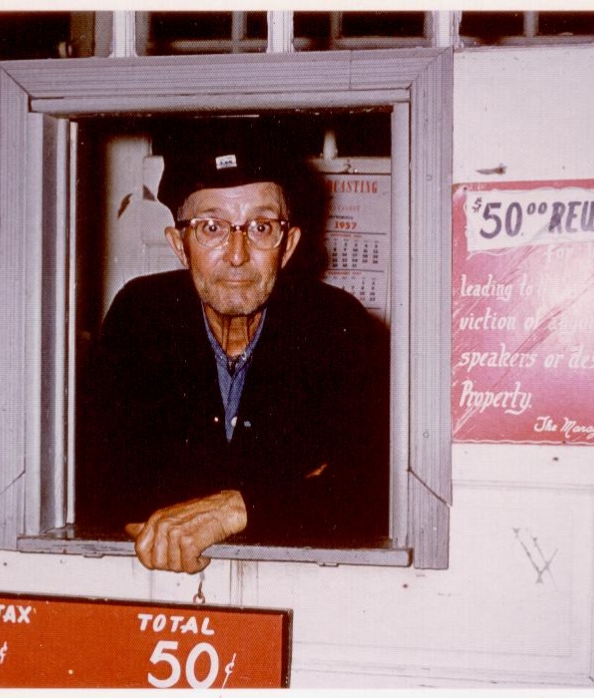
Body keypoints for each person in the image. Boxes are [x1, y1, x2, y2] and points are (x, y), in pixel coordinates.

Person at [77, 121, 389, 574]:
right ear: (180, 246)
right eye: (211, 227)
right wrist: (296, 493)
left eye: (261, 226)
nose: (238, 254)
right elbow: (101, 486)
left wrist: (232, 509)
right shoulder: (140, 316)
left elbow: (369, 493)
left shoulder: (336, 325)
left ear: (288, 246)